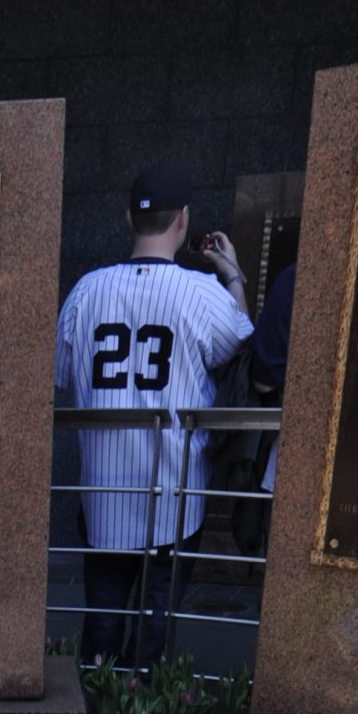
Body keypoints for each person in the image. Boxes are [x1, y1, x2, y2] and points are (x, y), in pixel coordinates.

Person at [54, 161, 252, 665]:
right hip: (172, 494)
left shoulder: (85, 291)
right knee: (154, 631)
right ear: (183, 219)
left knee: (101, 625)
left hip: (101, 493)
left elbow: (62, 376)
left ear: (128, 219)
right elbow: (241, 349)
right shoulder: (203, 293)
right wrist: (232, 275)